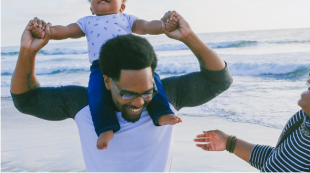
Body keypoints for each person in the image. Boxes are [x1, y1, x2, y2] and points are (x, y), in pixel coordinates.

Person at [11, 11, 233, 172]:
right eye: (127, 94)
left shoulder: (165, 96)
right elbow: (26, 100)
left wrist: (188, 36)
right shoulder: (83, 103)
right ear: (107, 82)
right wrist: (27, 52)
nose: (138, 102)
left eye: (147, 92)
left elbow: (219, 80)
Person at [29, 0, 181, 150]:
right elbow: (66, 31)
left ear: (122, 6)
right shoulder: (87, 21)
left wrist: (164, 25)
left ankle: (162, 113)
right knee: (96, 94)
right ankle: (105, 128)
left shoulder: (127, 19)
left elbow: (147, 26)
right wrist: (46, 31)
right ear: (91, 8)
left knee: (153, 81)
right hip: (100, 66)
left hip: (129, 63)